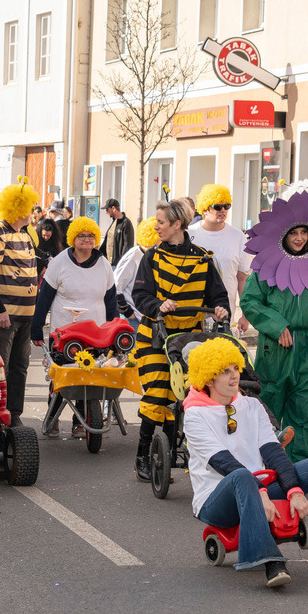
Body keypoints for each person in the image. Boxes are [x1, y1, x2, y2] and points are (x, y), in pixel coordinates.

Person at [182, 337, 308, 589]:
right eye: (225, 371)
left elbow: (274, 452)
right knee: (241, 476)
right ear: (208, 379)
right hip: (216, 501)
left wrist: (294, 491)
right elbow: (224, 463)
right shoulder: (194, 415)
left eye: (235, 367)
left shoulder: (251, 405)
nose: (234, 375)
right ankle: (269, 560)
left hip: (258, 488)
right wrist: (261, 493)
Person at [240, 188, 308, 463]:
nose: (300, 238)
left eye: (304, 233)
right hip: (275, 349)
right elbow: (250, 302)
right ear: (283, 235)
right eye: (294, 233)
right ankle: (267, 467)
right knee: (269, 408)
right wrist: (277, 326)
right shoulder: (265, 268)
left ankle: (303, 469)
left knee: (307, 412)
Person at [131, 199, 230, 481]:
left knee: (183, 396)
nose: (156, 226)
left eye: (160, 222)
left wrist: (221, 308)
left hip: (188, 339)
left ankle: (170, 454)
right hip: (154, 336)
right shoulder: (152, 257)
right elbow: (140, 296)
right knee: (158, 392)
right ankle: (143, 455)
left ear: (177, 225)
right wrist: (158, 305)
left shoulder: (203, 259)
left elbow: (218, 295)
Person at [31, 217, 118, 437]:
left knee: (89, 376)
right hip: (63, 332)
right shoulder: (60, 262)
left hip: (96, 332)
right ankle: (53, 418)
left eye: (91, 236)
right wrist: (36, 327)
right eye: (81, 236)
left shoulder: (104, 264)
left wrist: (114, 329)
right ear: (73, 238)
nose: (86, 240)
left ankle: (81, 421)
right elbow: (44, 297)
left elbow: (111, 301)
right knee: (60, 376)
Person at [0, 177, 40, 427]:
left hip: (25, 316)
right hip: (3, 317)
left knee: (19, 367)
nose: (32, 212)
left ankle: (14, 414)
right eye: (29, 207)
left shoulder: (25, 235)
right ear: (18, 208)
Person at [187, 184, 252, 334]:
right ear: (204, 209)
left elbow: (243, 278)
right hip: (193, 319)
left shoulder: (238, 237)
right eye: (217, 206)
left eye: (226, 206)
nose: (223, 210)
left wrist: (245, 315)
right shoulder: (189, 235)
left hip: (225, 318)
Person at [114, 218, 160, 324]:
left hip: (146, 317)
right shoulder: (133, 256)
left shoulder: (154, 256)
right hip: (133, 318)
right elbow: (115, 286)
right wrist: (127, 312)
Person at [101, 197, 134, 267]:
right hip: (109, 263)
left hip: (118, 265)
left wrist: (123, 263)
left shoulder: (125, 223)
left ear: (113, 208)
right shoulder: (114, 222)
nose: (106, 212)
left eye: (107, 209)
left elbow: (127, 245)